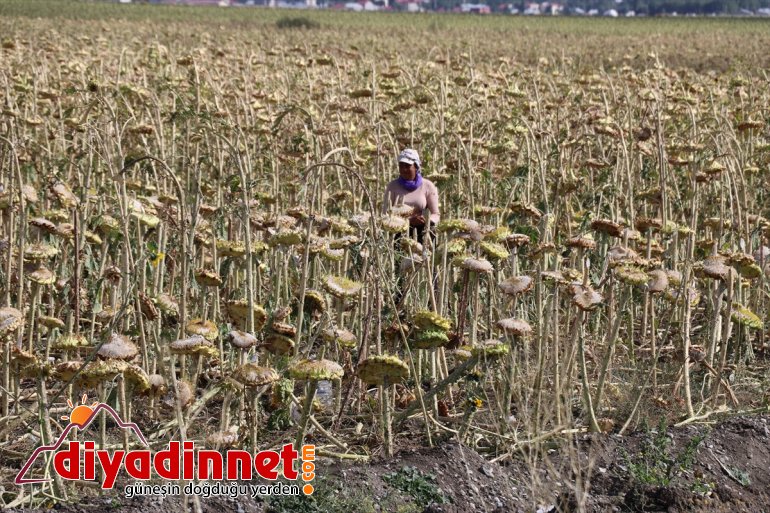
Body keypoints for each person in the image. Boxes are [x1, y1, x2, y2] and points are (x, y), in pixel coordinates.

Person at [382, 148, 440, 246]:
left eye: (408, 166)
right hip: (399, 234)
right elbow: (385, 215)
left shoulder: (427, 185)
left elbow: (436, 214)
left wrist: (427, 221)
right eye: (401, 166)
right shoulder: (392, 186)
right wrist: (408, 222)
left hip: (423, 232)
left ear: (416, 167)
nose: (404, 169)